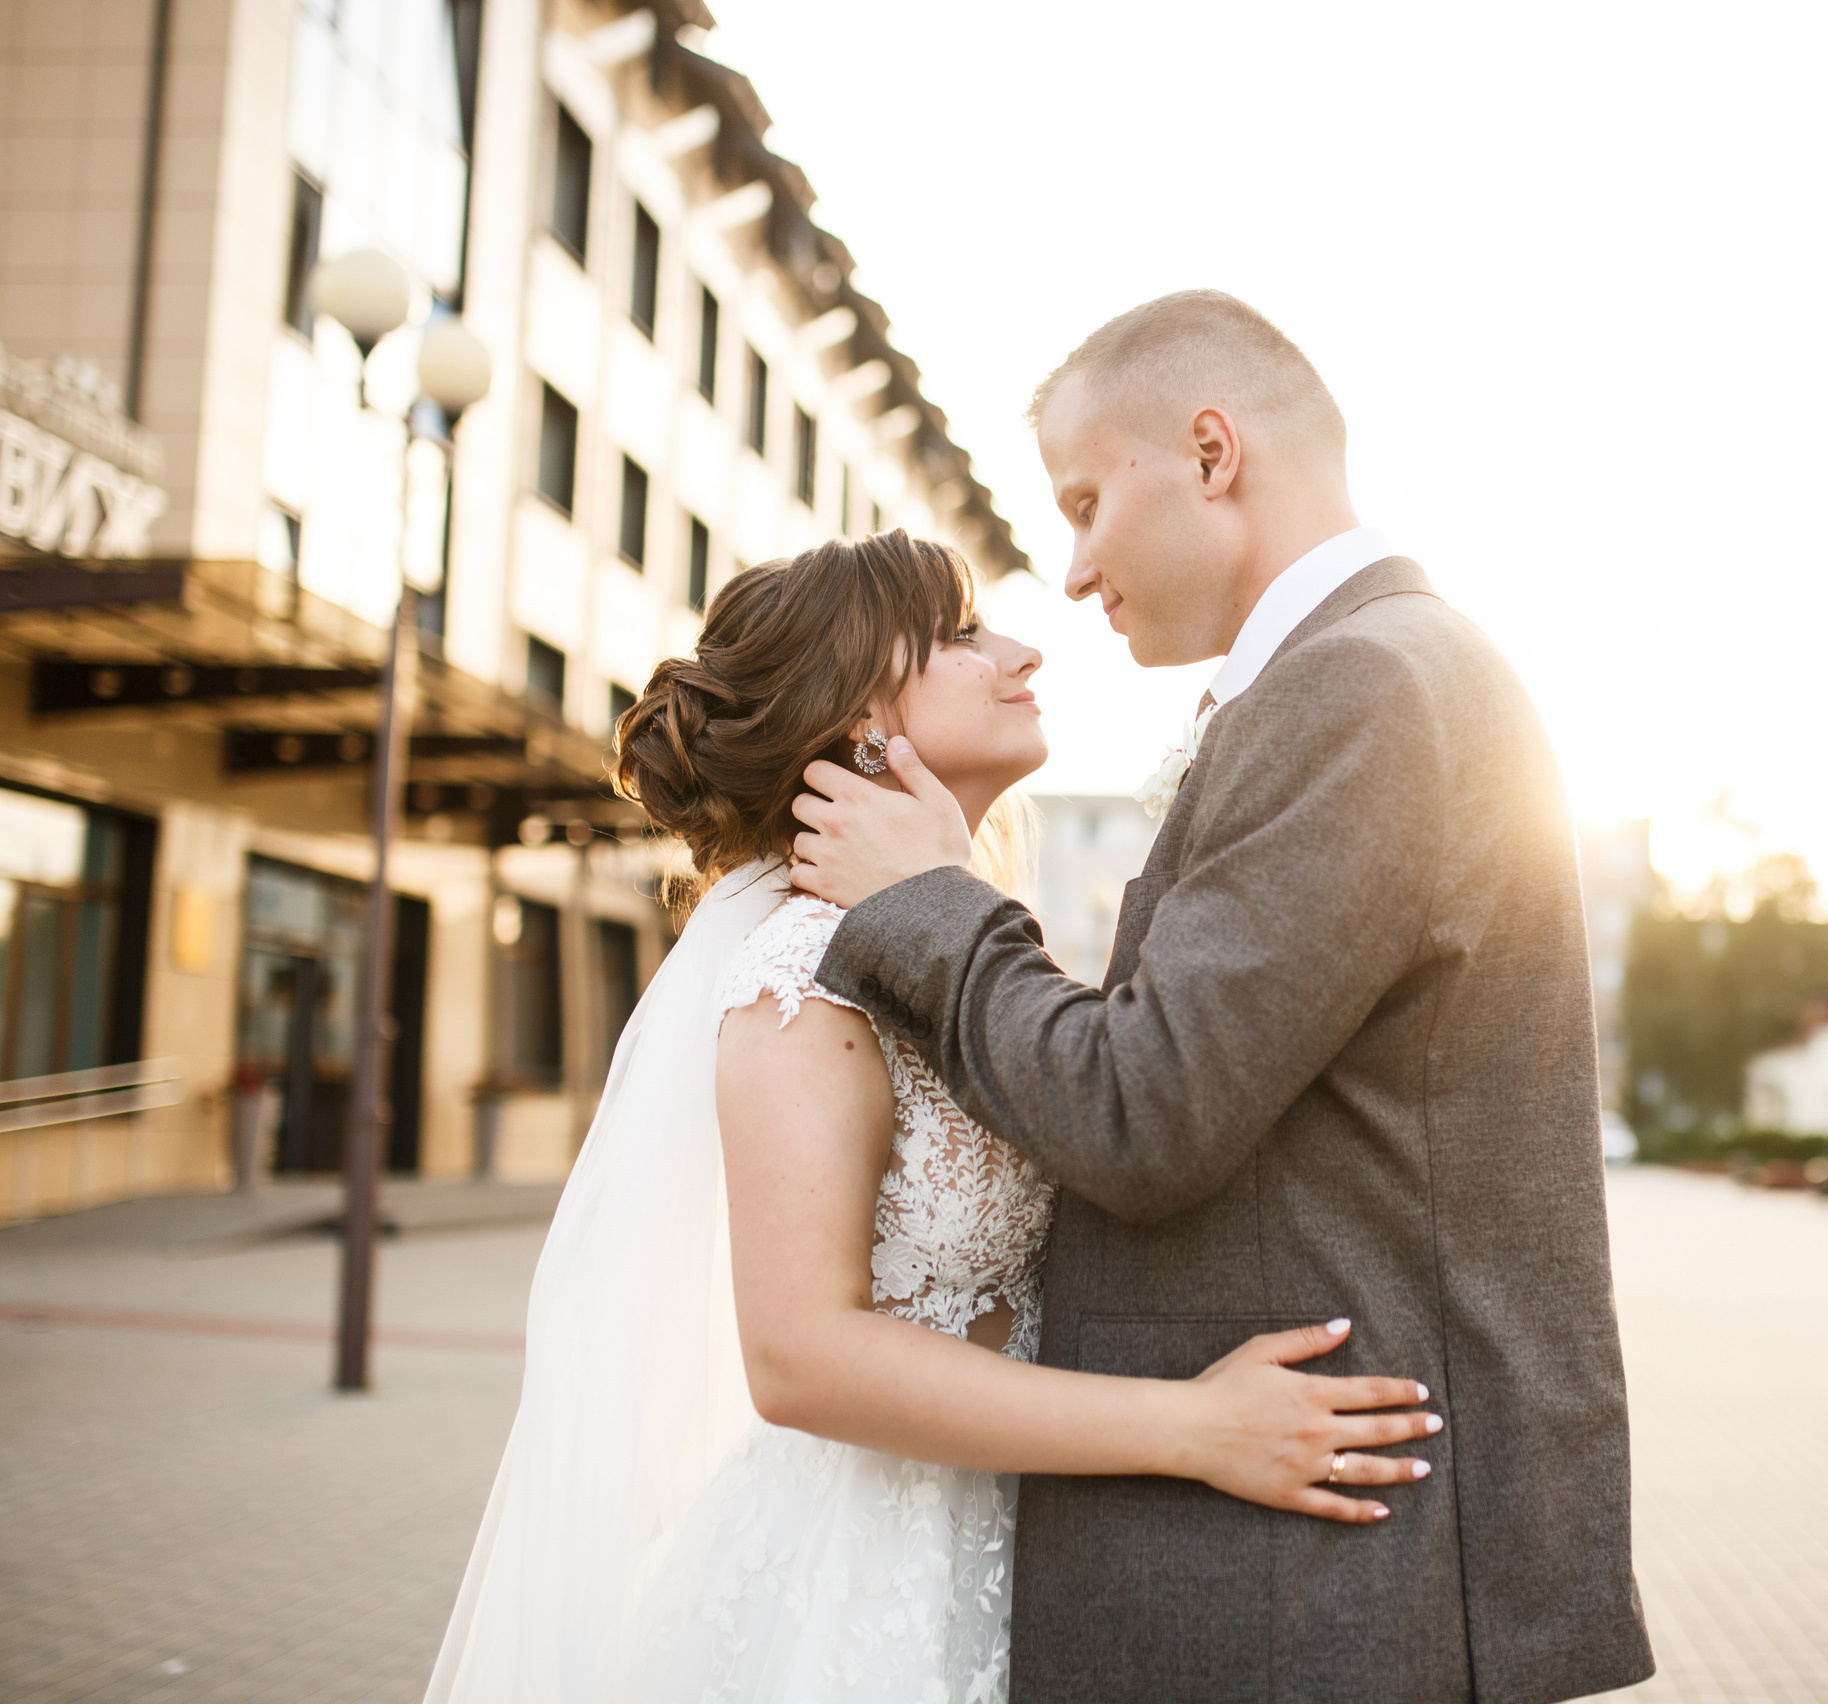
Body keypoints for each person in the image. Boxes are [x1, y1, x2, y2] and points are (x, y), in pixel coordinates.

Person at [788, 293, 1655, 1703]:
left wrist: (930, 901)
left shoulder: (1365, 686)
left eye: (1081, 503)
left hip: (1322, 1599)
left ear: (1208, 452)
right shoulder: (1376, 674)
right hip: (1328, 1579)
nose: (1069, 573)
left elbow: (1143, 1109)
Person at [426, 533, 1437, 1704]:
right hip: (860, 1597)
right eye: (961, 635)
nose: (1020, 647)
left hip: (1026, 1547)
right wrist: (1192, 1428)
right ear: (862, 718)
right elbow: (799, 1356)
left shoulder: (972, 947)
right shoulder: (804, 977)